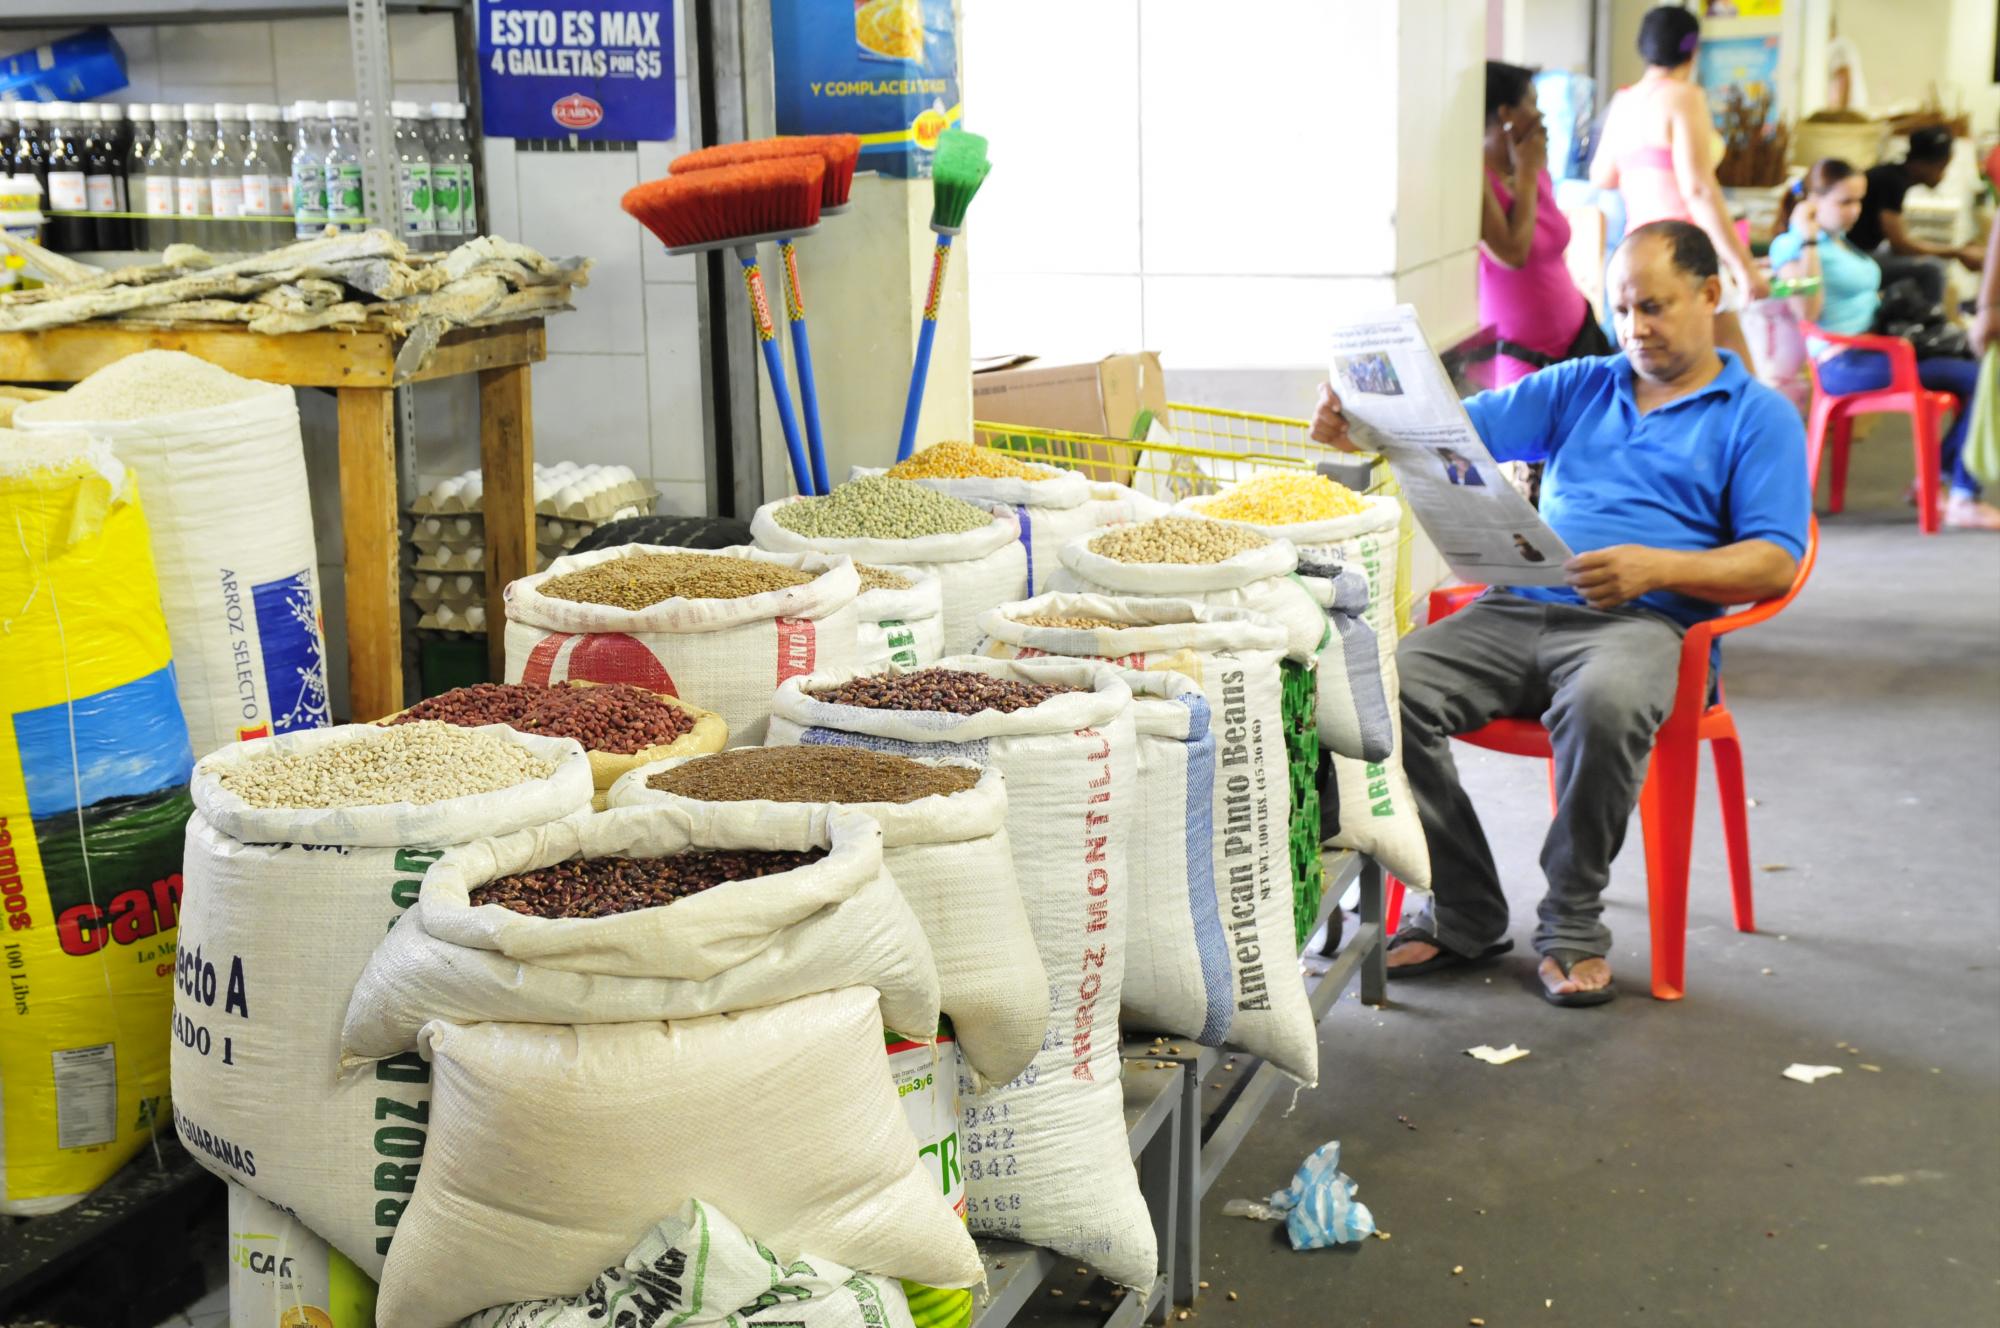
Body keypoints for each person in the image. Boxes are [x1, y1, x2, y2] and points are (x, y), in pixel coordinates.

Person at [1309, 220, 1809, 1007]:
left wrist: (1661, 569)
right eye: (1621, 309)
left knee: (1604, 703)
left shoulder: (1757, 416)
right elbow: (1455, 429)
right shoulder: (1585, 384)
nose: (1635, 328)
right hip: (1516, 606)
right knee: (1378, 690)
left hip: (1647, 628)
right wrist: (1361, 425)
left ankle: (1572, 925)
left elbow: (1776, 558)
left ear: (1710, 295)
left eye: (1655, 306)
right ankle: (1466, 909)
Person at [1770, 158, 2000, 530]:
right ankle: (1959, 495)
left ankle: (1939, 482)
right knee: (1982, 379)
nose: (1854, 212)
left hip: (1877, 350)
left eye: (1858, 202)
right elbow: (1806, 312)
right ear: (1812, 200)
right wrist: (1807, 237)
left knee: (1982, 376)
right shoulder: (1789, 247)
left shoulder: (1841, 244)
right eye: (1844, 202)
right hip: (1845, 364)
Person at [1590, 5, 1769, 367]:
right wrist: (1743, 267)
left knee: (1663, 373)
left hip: (1637, 249)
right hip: (1683, 251)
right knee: (1737, 376)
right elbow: (1698, 190)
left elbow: (1602, 176)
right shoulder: (1684, 97)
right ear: (1693, 48)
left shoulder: (1624, 101)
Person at [1478, 60, 1610, 389]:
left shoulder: (1536, 168)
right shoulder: (1478, 179)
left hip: (1581, 340)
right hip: (1522, 359)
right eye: (1532, 104)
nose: (1541, 116)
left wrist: (1529, 170)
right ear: (1506, 114)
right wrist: (1526, 171)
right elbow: (1512, 253)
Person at [1843, 126, 1983, 312]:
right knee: (1932, 269)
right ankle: (1932, 330)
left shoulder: (1892, 176)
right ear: (1922, 164)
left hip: (1864, 251)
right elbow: (1901, 245)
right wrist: (1958, 252)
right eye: (1942, 167)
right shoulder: (1891, 182)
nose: (1943, 174)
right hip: (1854, 256)